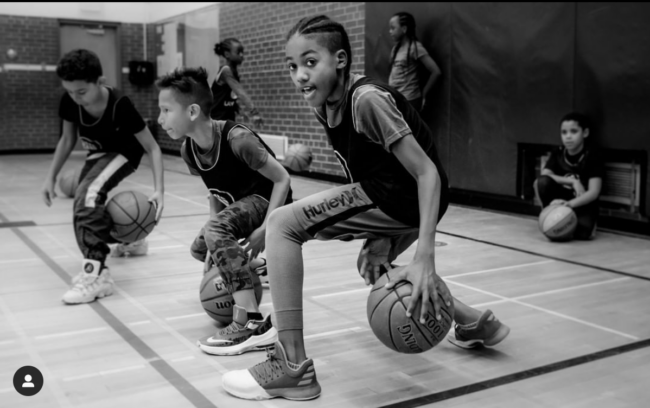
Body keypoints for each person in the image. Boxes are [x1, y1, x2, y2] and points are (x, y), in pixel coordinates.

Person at [221, 15, 510, 401]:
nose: (300, 75)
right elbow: (371, 171)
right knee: (375, 269)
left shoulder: (367, 100)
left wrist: (425, 256)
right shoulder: (327, 102)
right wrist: (377, 239)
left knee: (282, 223)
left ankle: (292, 367)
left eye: (310, 62)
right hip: (394, 196)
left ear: (340, 60)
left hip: (411, 196)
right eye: (292, 66)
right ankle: (476, 323)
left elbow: (427, 174)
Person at [156, 67, 293, 356]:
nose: (160, 118)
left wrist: (267, 229)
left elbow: (282, 179)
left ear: (192, 112)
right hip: (240, 206)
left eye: (166, 110)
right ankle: (251, 268)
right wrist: (213, 237)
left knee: (215, 233)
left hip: (269, 200)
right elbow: (216, 193)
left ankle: (251, 321)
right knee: (199, 248)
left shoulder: (237, 139)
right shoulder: (189, 150)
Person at [41, 49, 165, 304]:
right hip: (97, 154)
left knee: (87, 197)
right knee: (83, 205)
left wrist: (159, 190)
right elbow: (67, 140)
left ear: (100, 81)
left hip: (125, 153)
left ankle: (96, 273)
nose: (75, 98)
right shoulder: (70, 101)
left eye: (82, 92)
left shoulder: (121, 105)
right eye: (70, 91)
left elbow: (152, 147)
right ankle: (130, 238)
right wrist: (50, 177)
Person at [534, 112, 604, 240]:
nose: (568, 137)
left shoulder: (593, 155)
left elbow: (594, 192)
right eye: (564, 132)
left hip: (582, 203)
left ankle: (584, 221)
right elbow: (545, 176)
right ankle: (549, 215)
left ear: (585, 133)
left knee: (583, 235)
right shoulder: (558, 152)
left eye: (573, 131)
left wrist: (569, 204)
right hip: (561, 201)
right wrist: (573, 182)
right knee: (542, 182)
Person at [388, 12, 441, 112]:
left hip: (410, 101)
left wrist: (424, 93)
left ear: (404, 29)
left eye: (393, 28)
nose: (390, 32)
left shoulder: (415, 48)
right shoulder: (395, 49)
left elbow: (436, 72)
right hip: (395, 100)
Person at [211, 38, 264, 129]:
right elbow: (240, 92)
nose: (242, 55)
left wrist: (240, 110)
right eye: (238, 52)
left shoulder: (233, 73)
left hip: (227, 120)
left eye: (242, 52)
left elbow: (227, 97)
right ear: (227, 54)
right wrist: (254, 112)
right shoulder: (225, 71)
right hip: (217, 121)